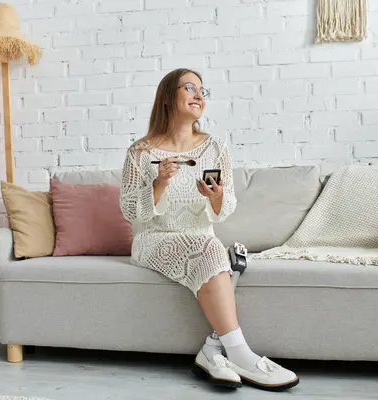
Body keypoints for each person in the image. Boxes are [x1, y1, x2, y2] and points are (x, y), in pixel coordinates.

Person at [119, 68, 299, 391]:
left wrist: (216, 198)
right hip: (153, 239)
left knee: (210, 246)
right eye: (190, 87)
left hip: (201, 238)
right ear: (167, 96)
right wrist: (158, 184)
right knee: (214, 251)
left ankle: (213, 352)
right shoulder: (140, 152)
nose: (199, 95)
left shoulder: (215, 148)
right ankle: (240, 354)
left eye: (203, 90)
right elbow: (130, 211)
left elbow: (225, 207)